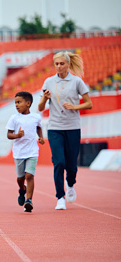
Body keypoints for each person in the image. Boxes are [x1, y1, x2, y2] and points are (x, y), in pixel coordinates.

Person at [38, 51, 93, 210]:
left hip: (73, 127)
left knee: (71, 164)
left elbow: (89, 104)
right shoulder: (48, 82)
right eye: (57, 64)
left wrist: (75, 106)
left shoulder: (77, 82)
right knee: (58, 162)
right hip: (55, 127)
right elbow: (40, 108)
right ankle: (60, 197)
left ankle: (70, 184)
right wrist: (44, 98)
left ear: (68, 64)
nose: (59, 66)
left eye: (62, 63)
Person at [6, 91, 45, 213]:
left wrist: (41, 137)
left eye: (19, 102)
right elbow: (8, 135)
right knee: (20, 178)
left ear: (28, 103)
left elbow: (38, 127)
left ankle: (29, 200)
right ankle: (22, 190)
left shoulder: (36, 117)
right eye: (15, 103)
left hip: (32, 151)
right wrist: (17, 135)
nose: (16, 105)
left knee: (29, 175)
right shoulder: (14, 118)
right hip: (19, 152)